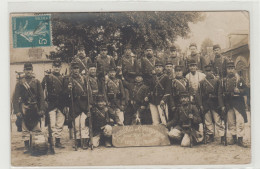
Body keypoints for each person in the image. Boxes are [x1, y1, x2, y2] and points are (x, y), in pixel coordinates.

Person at [12, 63, 45, 153]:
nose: (28, 71)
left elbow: (41, 97)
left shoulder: (37, 82)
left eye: (30, 69)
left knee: (36, 127)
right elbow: (15, 98)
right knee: (25, 128)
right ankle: (26, 146)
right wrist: (17, 111)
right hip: (24, 107)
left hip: (35, 107)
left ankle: (37, 145)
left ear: (32, 70)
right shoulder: (20, 83)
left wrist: (41, 109)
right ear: (24, 71)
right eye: (26, 69)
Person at [218, 61, 249, 147]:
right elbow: (220, 94)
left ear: (234, 69)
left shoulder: (240, 79)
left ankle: (240, 139)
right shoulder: (223, 81)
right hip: (228, 103)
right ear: (227, 70)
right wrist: (222, 105)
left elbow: (246, 90)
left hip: (238, 103)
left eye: (232, 68)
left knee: (240, 121)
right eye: (229, 68)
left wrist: (240, 91)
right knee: (231, 122)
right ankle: (234, 137)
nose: (230, 70)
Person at [63, 61, 92, 149]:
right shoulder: (68, 79)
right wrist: (69, 89)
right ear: (71, 69)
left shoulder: (84, 78)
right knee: (76, 124)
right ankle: (78, 141)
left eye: (77, 68)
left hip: (83, 102)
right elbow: (65, 93)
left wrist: (90, 103)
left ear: (79, 69)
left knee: (84, 123)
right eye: (74, 68)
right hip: (74, 103)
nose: (75, 70)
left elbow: (89, 91)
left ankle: (85, 141)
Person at [41, 59, 65, 148]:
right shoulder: (47, 77)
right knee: (51, 124)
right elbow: (41, 89)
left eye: (58, 67)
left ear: (60, 68)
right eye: (55, 67)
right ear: (52, 67)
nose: (56, 68)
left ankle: (58, 141)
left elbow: (65, 92)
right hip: (51, 103)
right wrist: (43, 101)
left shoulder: (63, 78)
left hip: (60, 104)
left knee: (60, 123)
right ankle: (50, 141)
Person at [198, 64, 225, 143]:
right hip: (206, 103)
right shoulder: (202, 82)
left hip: (215, 103)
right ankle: (210, 135)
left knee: (218, 120)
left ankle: (222, 136)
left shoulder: (217, 81)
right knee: (208, 121)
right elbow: (199, 94)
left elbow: (219, 93)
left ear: (212, 71)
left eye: (209, 71)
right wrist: (201, 105)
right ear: (205, 72)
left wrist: (220, 104)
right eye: (206, 71)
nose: (208, 72)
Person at [149, 60, 174, 125]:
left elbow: (168, 91)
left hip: (161, 100)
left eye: (160, 67)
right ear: (154, 68)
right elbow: (150, 89)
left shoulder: (166, 77)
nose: (158, 68)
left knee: (164, 120)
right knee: (155, 121)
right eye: (157, 67)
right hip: (153, 100)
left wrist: (163, 100)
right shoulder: (153, 78)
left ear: (163, 68)